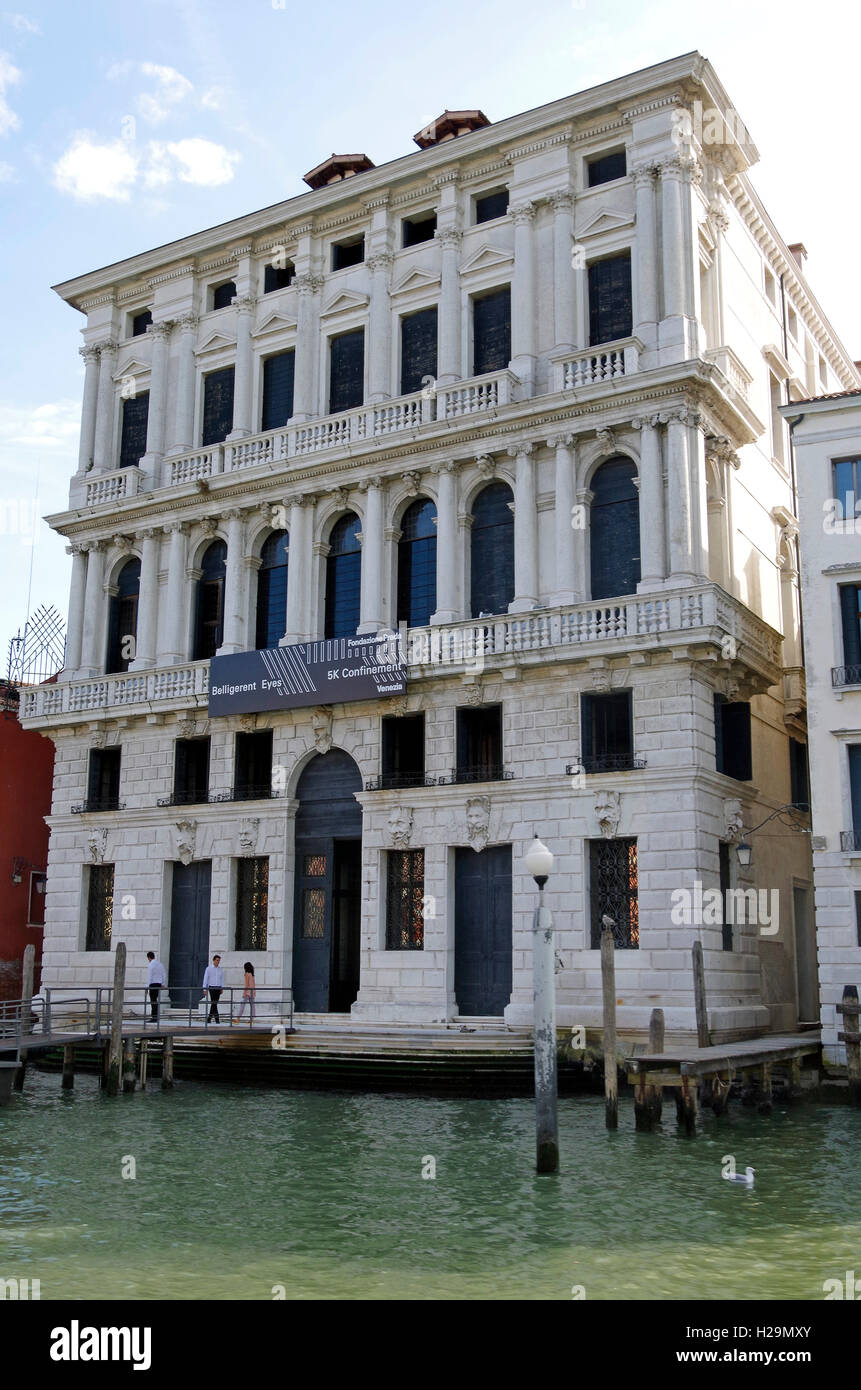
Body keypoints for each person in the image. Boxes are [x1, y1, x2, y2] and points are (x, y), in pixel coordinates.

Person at [202, 954, 224, 1023]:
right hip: (211, 987)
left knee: (214, 1003)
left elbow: (222, 979)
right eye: (217, 960)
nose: (218, 962)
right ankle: (217, 1019)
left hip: (218, 988)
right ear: (214, 960)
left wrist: (222, 987)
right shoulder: (208, 969)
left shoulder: (220, 969)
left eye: (219, 961)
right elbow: (205, 979)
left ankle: (209, 1019)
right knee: (214, 1003)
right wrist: (204, 989)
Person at [145, 951, 166, 1022]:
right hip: (159, 984)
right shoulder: (160, 964)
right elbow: (163, 974)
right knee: (156, 1000)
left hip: (153, 984)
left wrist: (147, 987)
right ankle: (156, 1016)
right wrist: (163, 983)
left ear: (149, 957)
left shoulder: (151, 965)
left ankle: (154, 1017)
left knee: (153, 1001)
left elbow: (149, 977)